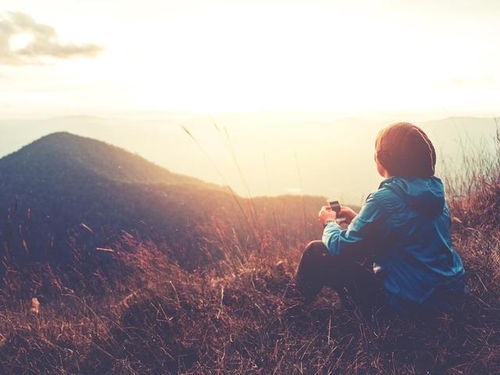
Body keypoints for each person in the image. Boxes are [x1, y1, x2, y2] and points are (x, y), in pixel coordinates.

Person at [295, 122, 466, 315]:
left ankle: (290, 310)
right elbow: (406, 232)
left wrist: (329, 223)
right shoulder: (435, 193)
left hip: (408, 305)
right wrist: (357, 219)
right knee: (367, 249)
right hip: (449, 297)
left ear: (383, 159)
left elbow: (342, 248)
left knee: (317, 251)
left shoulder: (383, 199)